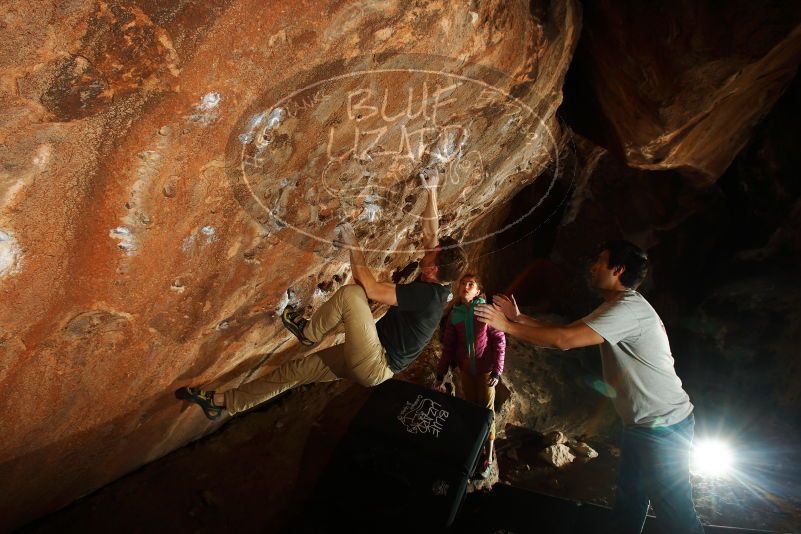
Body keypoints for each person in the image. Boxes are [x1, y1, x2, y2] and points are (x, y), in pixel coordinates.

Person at [177, 171, 468, 421]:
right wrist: (431, 190)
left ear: (432, 270)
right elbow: (432, 234)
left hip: (376, 361)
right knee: (295, 371)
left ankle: (308, 332)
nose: (428, 249)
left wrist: (353, 243)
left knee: (353, 295)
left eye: (432, 255)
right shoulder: (437, 280)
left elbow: (371, 289)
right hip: (371, 358)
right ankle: (222, 403)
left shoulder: (427, 296)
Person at [474, 240, 704, 534]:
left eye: (600, 261)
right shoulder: (617, 306)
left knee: (676, 516)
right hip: (642, 426)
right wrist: (518, 318)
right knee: (628, 507)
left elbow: (564, 341)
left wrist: (506, 327)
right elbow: (566, 333)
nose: (592, 267)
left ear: (618, 270)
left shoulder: (627, 311)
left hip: (664, 427)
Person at [434, 273, 505, 479]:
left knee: (487, 411)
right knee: (471, 409)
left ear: (478, 291)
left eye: (470, 284)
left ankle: (489, 455)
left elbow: (499, 340)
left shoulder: (485, 310)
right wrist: (441, 373)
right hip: (466, 370)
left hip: (485, 371)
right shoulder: (455, 315)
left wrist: (497, 370)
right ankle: (475, 449)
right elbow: (449, 347)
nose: (465, 287)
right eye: (463, 284)